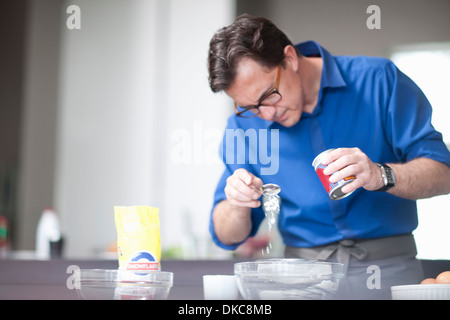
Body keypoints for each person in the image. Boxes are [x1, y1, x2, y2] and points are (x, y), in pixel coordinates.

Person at [207, 14, 450, 299]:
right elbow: (226, 235)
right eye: (250, 107)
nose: (267, 114)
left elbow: (443, 173)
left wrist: (380, 174)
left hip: (389, 271)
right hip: (300, 281)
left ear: (290, 59)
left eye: (269, 95)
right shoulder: (245, 125)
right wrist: (237, 204)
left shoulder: (379, 80)